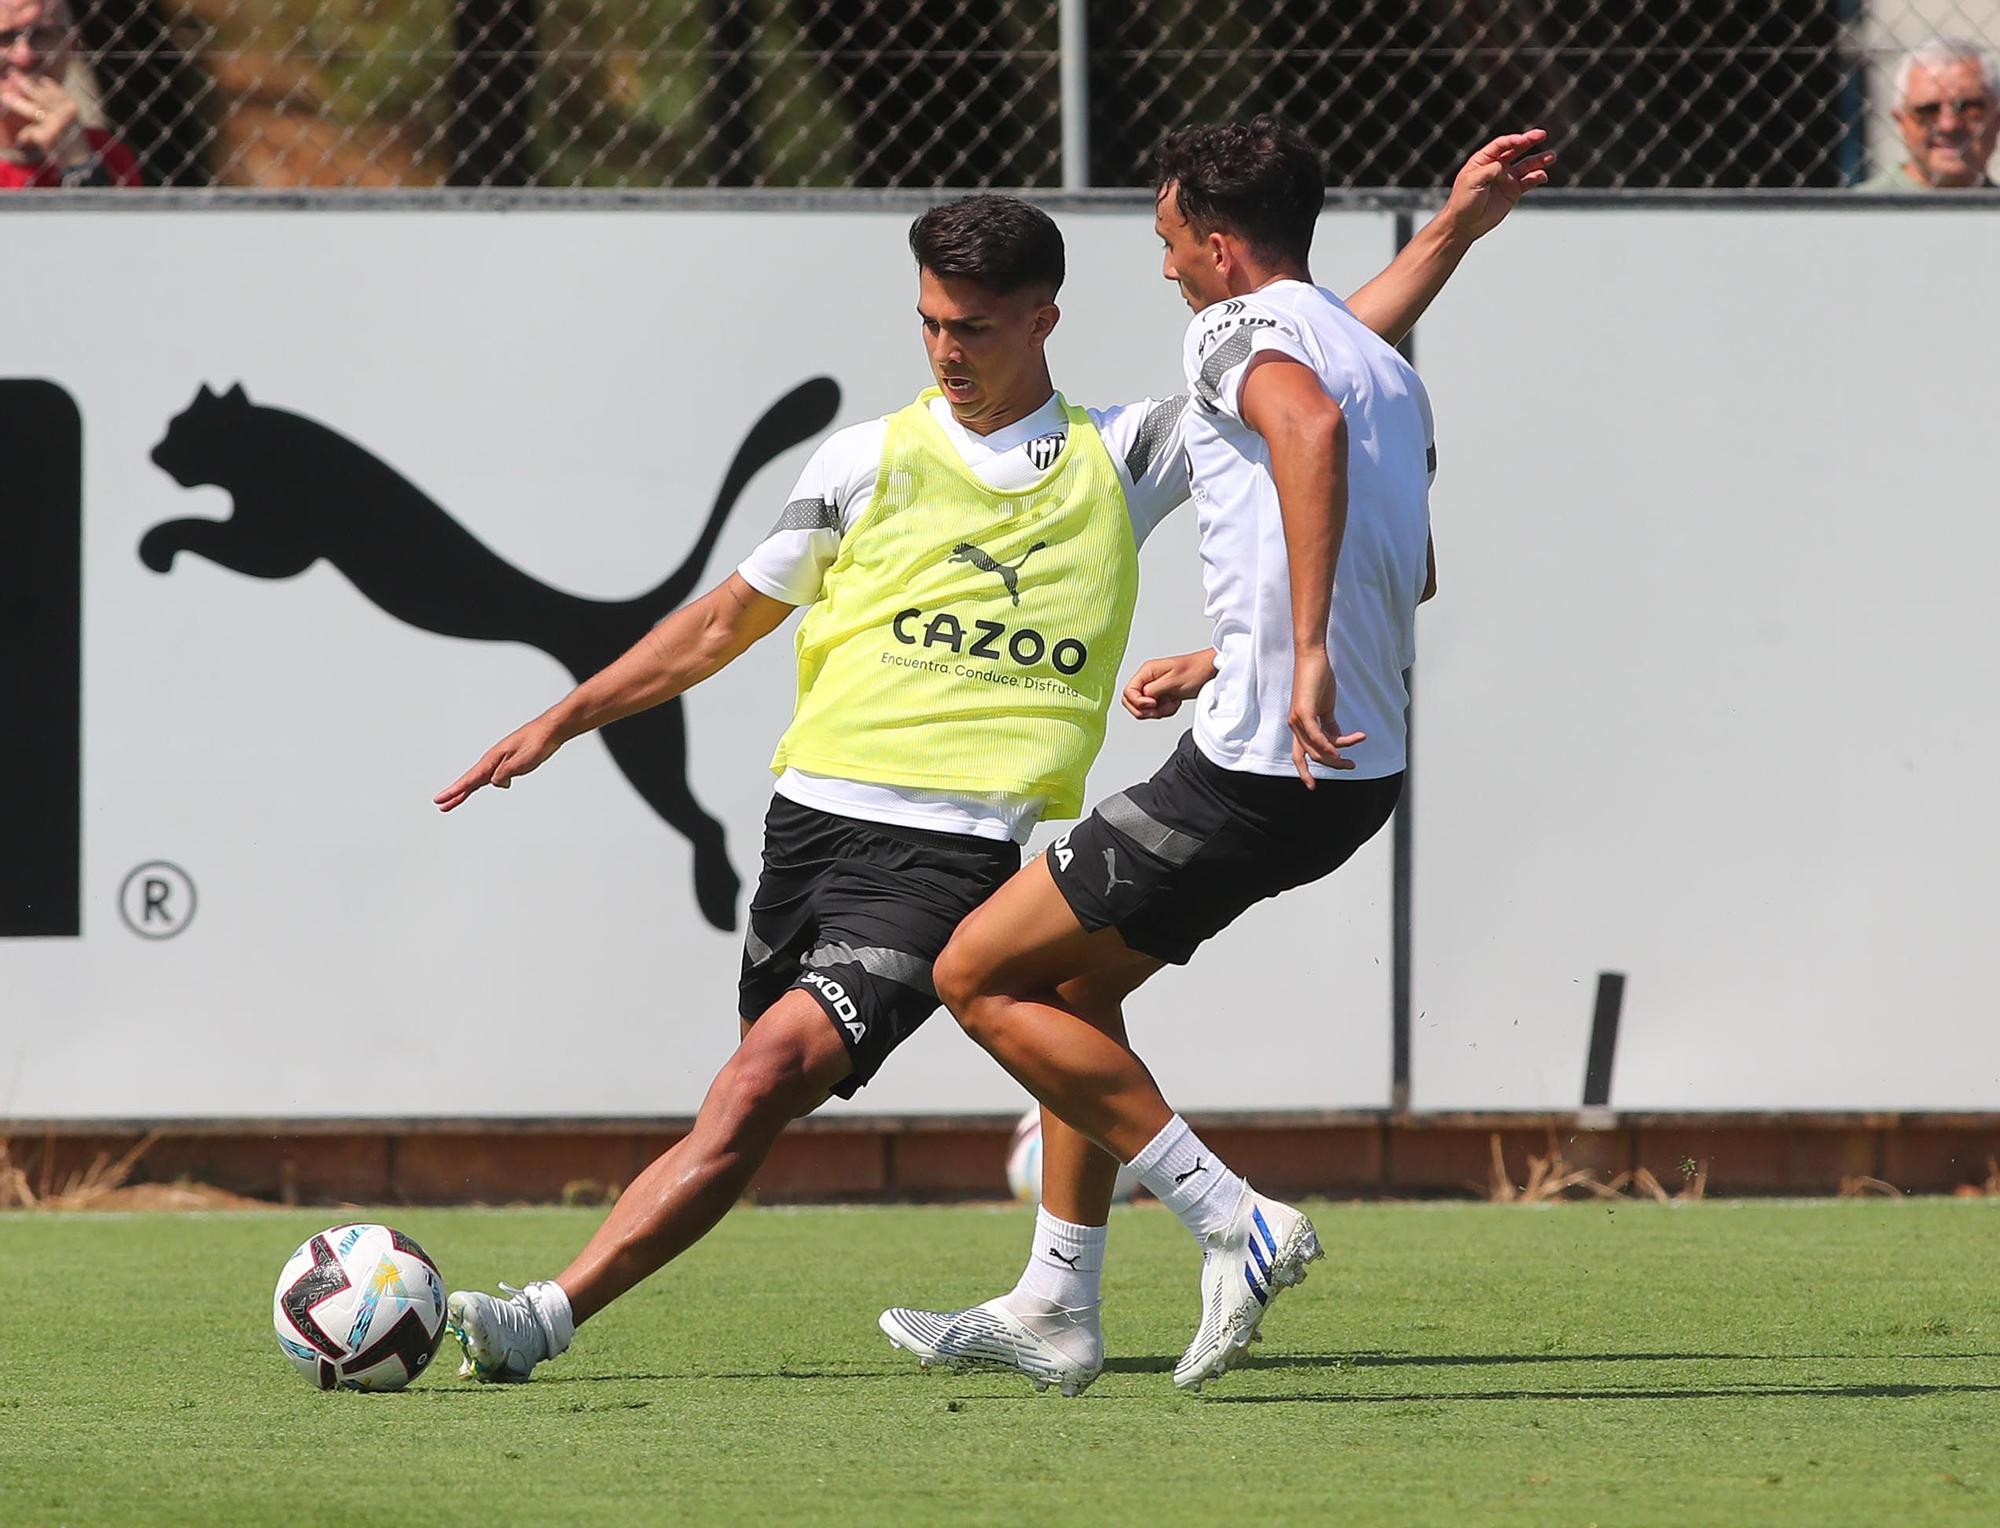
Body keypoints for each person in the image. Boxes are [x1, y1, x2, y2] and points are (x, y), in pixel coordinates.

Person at [435, 140, 1547, 1384]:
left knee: (761, 1080)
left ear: (1041, 318)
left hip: (939, 861)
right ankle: (1057, 1303)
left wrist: (1446, 244)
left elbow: (1311, 357)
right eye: (927, 325)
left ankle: (543, 1314)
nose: (946, 351)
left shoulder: (1119, 454)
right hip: (804, 837)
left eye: (970, 326)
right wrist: (563, 716)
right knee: (1043, 1002)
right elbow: (716, 626)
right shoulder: (862, 460)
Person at [884, 115, 1493, 1394]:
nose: (1162, 267)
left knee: (975, 973)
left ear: (1217, 250)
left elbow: (1305, 432)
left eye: (1168, 241)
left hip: (1255, 770)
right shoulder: (1383, 364)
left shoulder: (1232, 334)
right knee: (1072, 993)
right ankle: (1056, 1302)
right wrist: (1230, 652)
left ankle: (1232, 1218)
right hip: (1344, 778)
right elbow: (1415, 569)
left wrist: (1298, 650)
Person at [0, 0, 139, 188]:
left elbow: (108, 217)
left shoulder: (105, 153)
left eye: (40, 34)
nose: (24, 56)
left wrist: (79, 162)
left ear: (71, 45)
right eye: (4, 38)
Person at [1859, 37, 1997, 191]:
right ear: (1901, 121)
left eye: (1968, 108)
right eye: (1928, 111)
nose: (1948, 125)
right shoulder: (1860, 211)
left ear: (1997, 118)